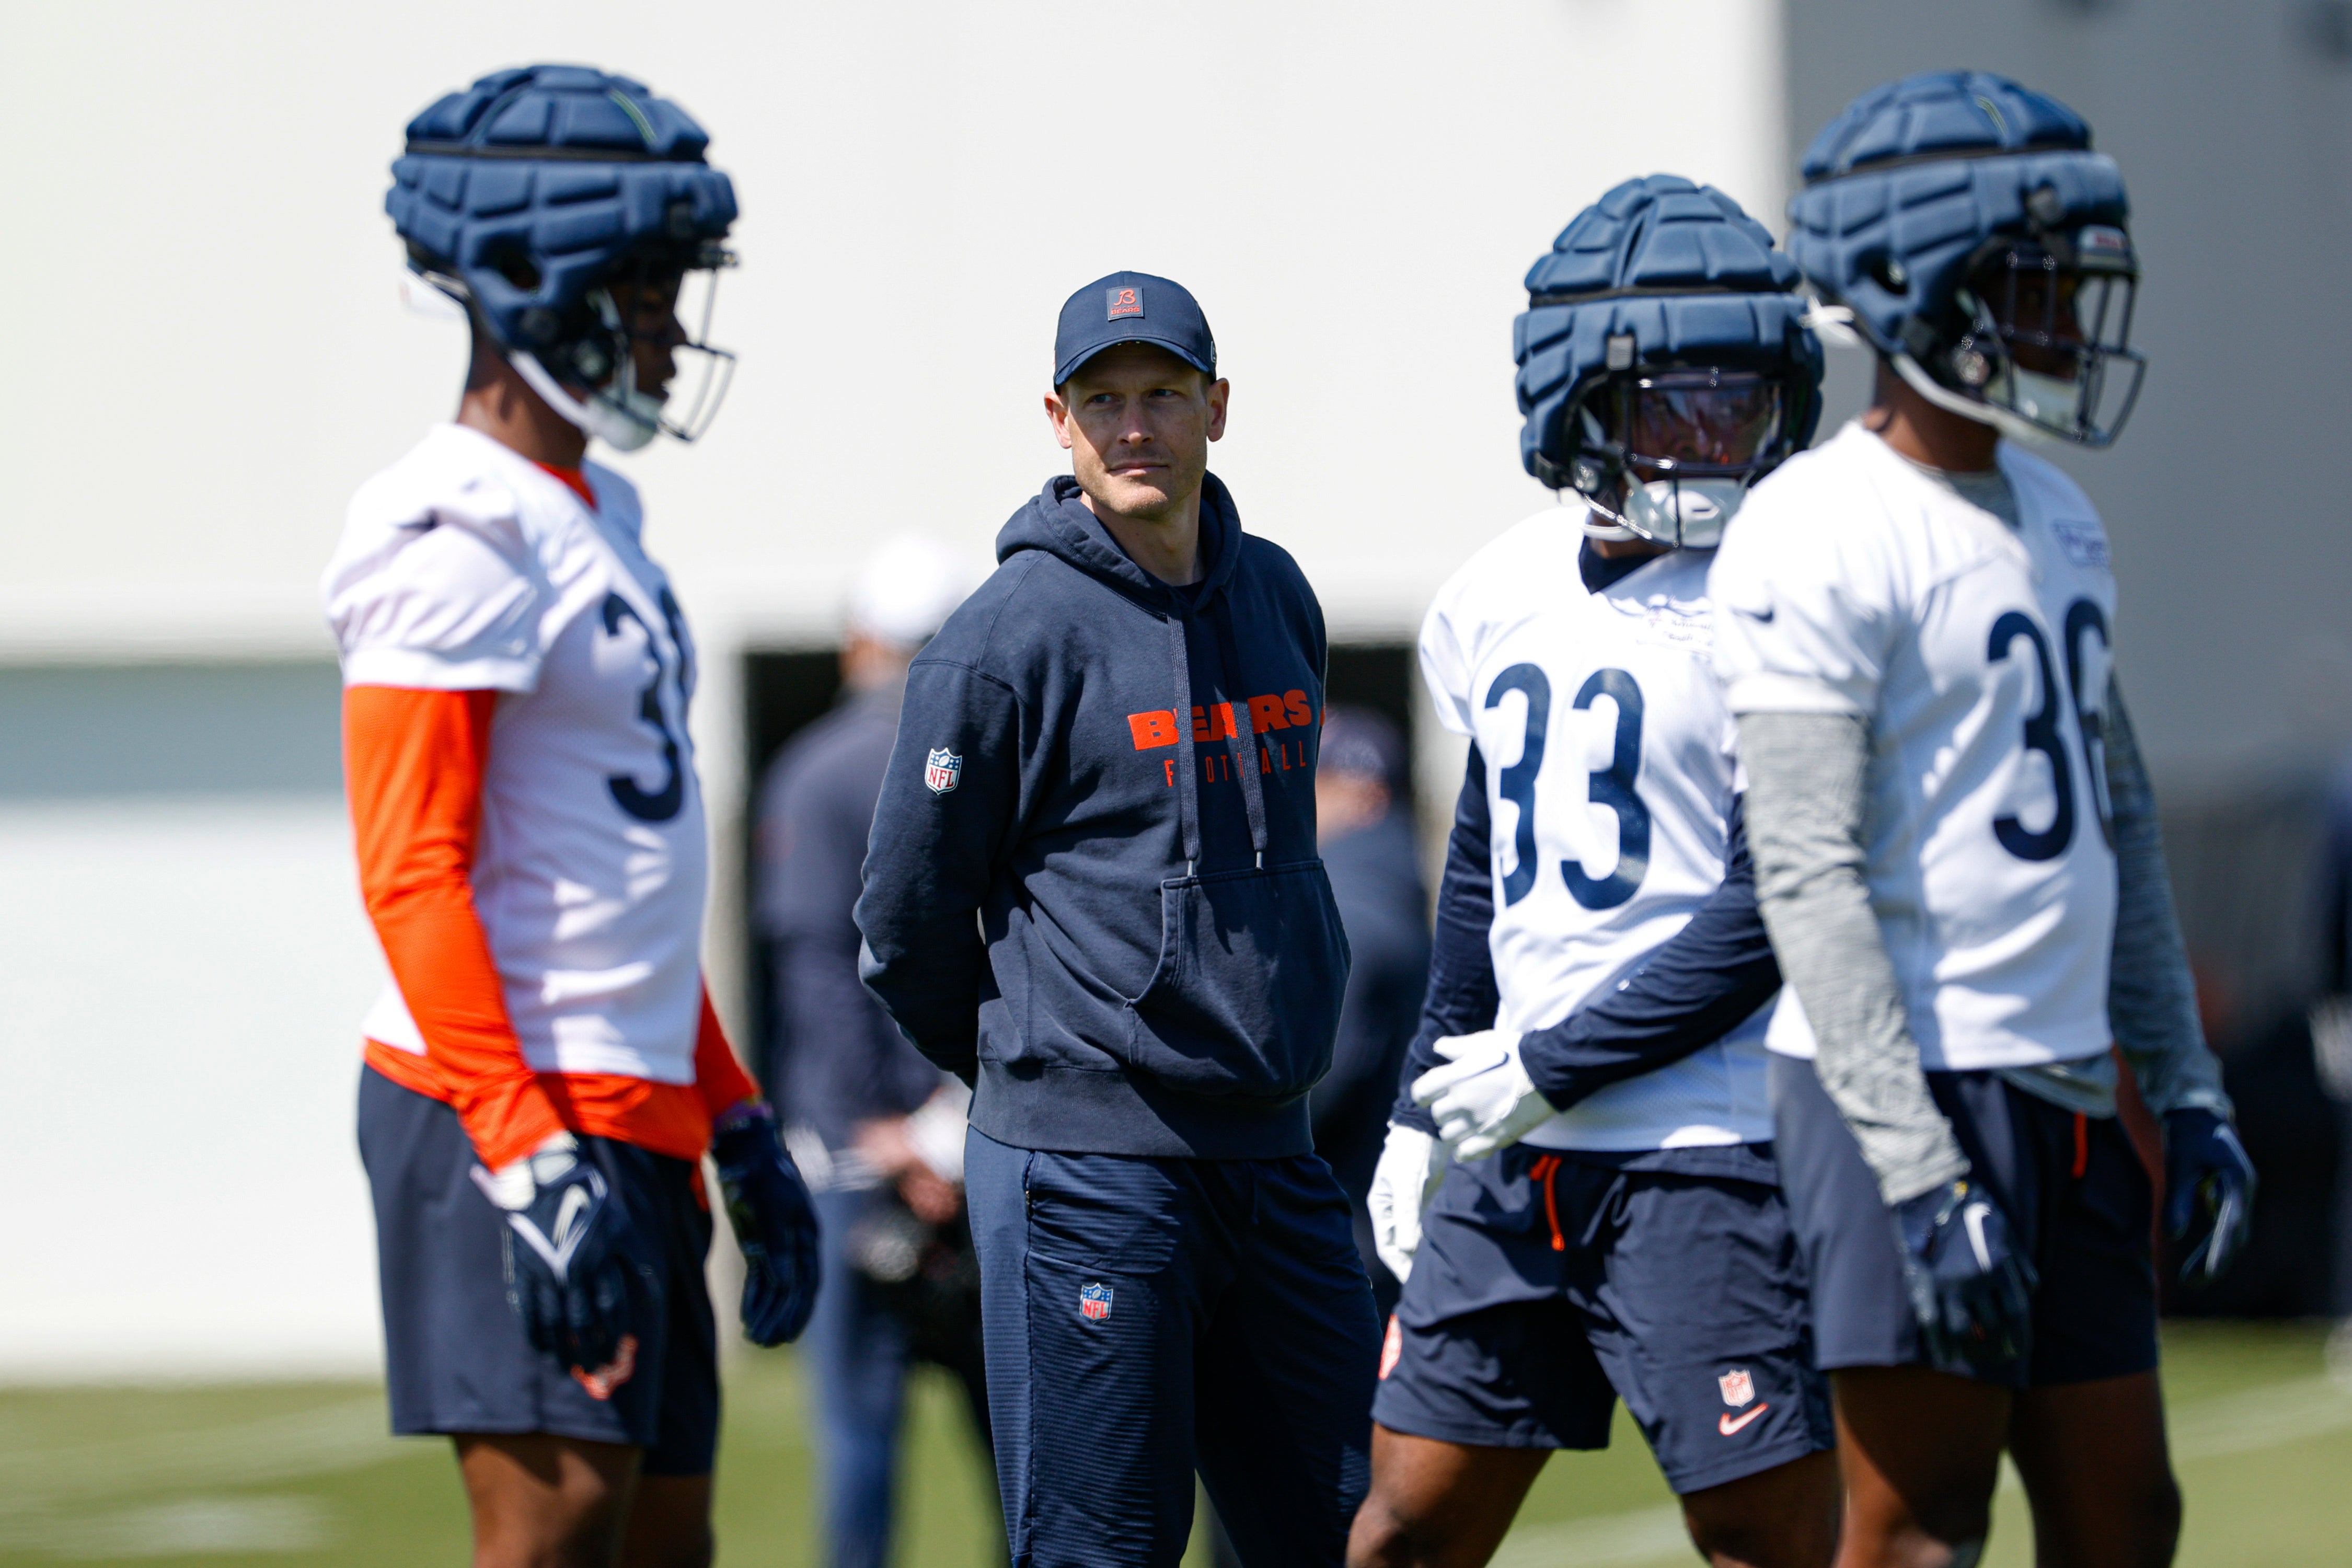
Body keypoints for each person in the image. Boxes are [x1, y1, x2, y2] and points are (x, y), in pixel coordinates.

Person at [1712, 71, 2256, 1568]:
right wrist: (1911, 1163)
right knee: (1916, 1529)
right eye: (2035, 284)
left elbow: (2113, 817)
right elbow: (1803, 872)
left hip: (2064, 1081)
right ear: (1920, 283)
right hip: (1907, 1088)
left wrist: (2185, 1087)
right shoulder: (1818, 522)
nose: (2067, 320)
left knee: (2125, 1516)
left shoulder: (2056, 514)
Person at [325, 65, 818, 1568]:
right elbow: (411, 868)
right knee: (556, 1539)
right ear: (535, 287)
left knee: (667, 1542)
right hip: (512, 1100)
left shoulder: (602, 517)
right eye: (647, 289)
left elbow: (624, 878)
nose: (670, 331)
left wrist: (732, 1110)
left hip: (636, 1097)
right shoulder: (454, 527)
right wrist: (523, 1148)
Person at [854, 272, 1380, 1567]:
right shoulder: (1000, 639)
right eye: (1103, 400)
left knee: (1352, 1537)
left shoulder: (1276, 595)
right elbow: (905, 923)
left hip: (1276, 1155)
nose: (1133, 426)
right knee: (1103, 1554)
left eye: (1161, 394)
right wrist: (1046, 1063)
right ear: (1060, 420)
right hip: (1089, 1172)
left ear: (1216, 406)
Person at [1349, 176, 1838, 1568]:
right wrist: (1418, 1106)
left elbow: (1771, 908)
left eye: (1739, 399)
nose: (1711, 436)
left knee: (1765, 1542)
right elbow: (1483, 868)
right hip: (1518, 1145)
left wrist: (1551, 1063)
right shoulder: (1494, 590)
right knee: (1401, 1531)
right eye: (1670, 402)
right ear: (1576, 400)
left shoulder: (1799, 589)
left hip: (1711, 1150)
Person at [753, 535, 992, 1568]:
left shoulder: (819, 770)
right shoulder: (1002, 755)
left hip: (861, 1153)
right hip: (986, 1135)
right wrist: (951, 1122)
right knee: (1027, 1443)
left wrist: (876, 1125)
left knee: (858, 1433)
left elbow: (814, 966)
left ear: (863, 638)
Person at [1310, 707, 1434, 1321]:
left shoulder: (1344, 907)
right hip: (1395, 1225)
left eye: (1310, 782)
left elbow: (1320, 1082)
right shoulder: (1404, 892)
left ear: (1363, 793)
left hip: (1337, 1235)